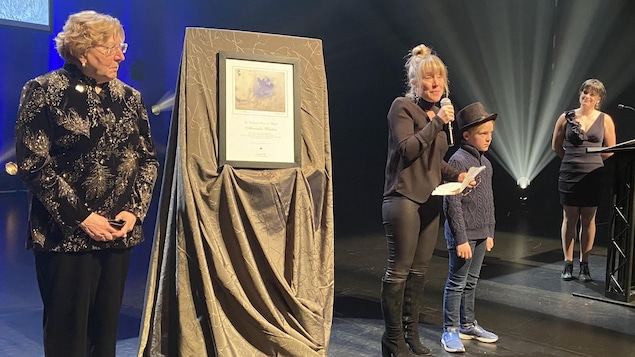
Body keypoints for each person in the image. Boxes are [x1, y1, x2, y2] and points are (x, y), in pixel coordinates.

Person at [14, 10, 159, 357]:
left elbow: (147, 160)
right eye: (111, 48)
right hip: (64, 237)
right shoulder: (42, 91)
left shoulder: (130, 98)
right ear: (82, 50)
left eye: (122, 46)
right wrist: (82, 218)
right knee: (67, 338)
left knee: (104, 338)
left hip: (117, 234)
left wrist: (134, 211)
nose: (121, 56)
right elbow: (34, 164)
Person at [381, 43, 473, 357]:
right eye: (428, 78)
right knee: (400, 270)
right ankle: (393, 341)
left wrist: (457, 176)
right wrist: (436, 122)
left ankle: (411, 335)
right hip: (403, 197)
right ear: (415, 82)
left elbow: (433, 161)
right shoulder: (402, 107)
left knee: (420, 272)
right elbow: (407, 150)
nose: (434, 84)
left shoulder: (438, 115)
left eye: (439, 78)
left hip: (430, 200)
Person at [440, 102, 498, 353]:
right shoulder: (458, 161)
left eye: (491, 133)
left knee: (472, 282)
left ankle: (467, 323)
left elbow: (488, 200)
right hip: (463, 235)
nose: (488, 138)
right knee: (457, 281)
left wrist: (490, 232)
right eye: (483, 133)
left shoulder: (486, 163)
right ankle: (450, 329)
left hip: (480, 233)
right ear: (467, 135)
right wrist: (461, 238)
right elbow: (452, 203)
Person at [551, 79, 616, 282]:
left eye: (592, 94)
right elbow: (556, 146)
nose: (587, 96)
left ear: (599, 99)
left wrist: (593, 161)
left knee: (588, 219)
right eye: (585, 92)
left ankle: (584, 264)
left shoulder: (605, 119)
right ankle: (568, 263)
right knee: (570, 218)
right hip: (569, 173)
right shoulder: (565, 117)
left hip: (594, 174)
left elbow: (611, 149)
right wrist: (573, 160)